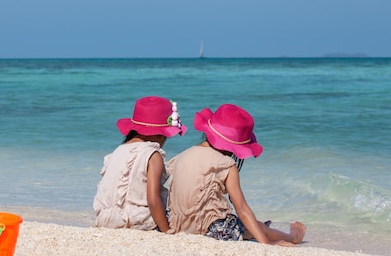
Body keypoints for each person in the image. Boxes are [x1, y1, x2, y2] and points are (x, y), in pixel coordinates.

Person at [166, 103, 306, 246]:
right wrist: (267, 244)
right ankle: (293, 237)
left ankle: (264, 230)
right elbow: (242, 209)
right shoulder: (225, 163)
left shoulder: (181, 156)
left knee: (252, 226)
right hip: (212, 232)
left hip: (178, 227)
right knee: (257, 227)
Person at [93, 96, 187, 232]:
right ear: (162, 134)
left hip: (105, 219)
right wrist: (166, 231)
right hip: (136, 220)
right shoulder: (153, 154)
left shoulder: (118, 151)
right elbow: (153, 199)